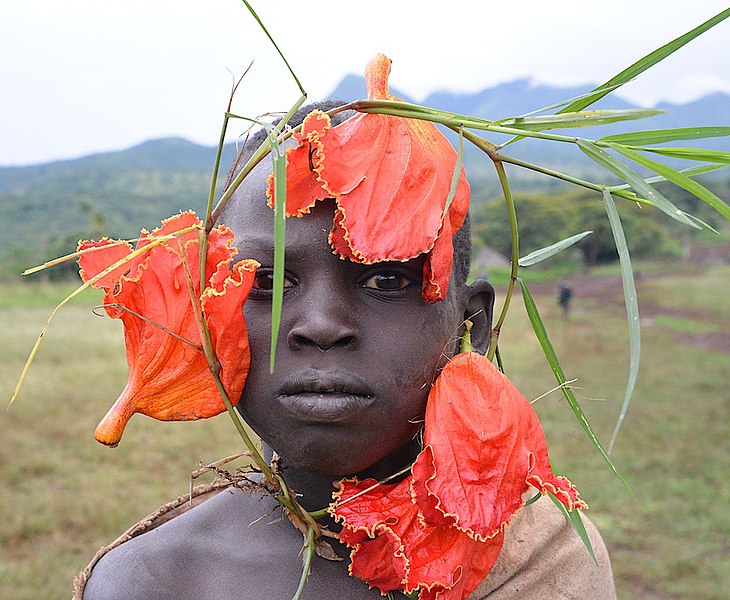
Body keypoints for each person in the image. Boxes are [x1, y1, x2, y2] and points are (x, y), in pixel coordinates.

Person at [80, 102, 616, 599]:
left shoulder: (547, 558)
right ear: (201, 317)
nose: (321, 326)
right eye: (264, 280)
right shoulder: (147, 581)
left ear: (469, 324)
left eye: (387, 279)